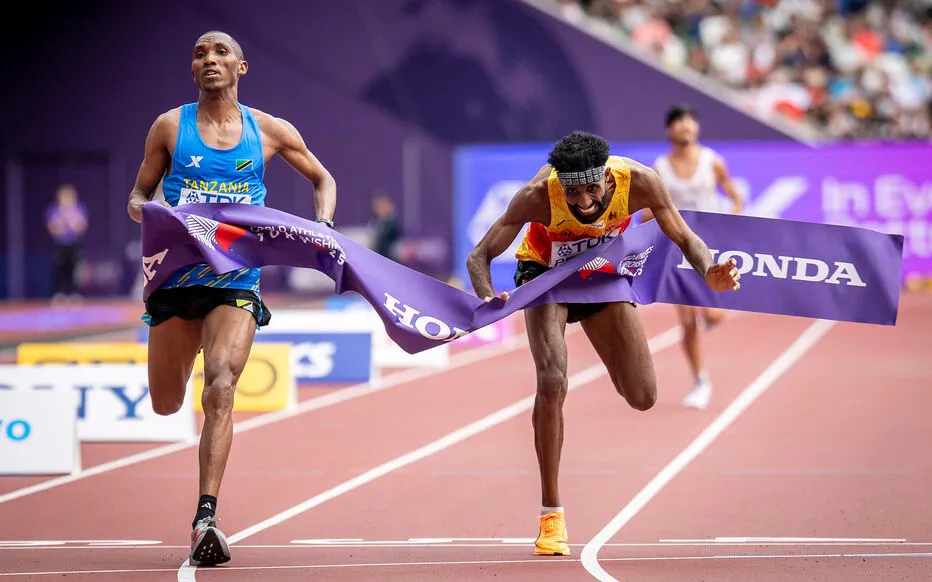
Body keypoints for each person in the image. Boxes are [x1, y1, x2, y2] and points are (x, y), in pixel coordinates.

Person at [466, 131, 740, 557]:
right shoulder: (539, 195)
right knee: (553, 380)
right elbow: (478, 255)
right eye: (572, 192)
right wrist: (487, 297)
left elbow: (686, 237)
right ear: (561, 183)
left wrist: (709, 273)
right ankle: (551, 514)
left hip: (601, 274)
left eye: (592, 189)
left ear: (607, 178)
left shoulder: (640, 182)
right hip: (545, 276)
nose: (584, 202)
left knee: (644, 395)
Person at [126, 31, 336, 567]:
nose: (209, 60)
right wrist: (148, 214)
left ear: (241, 67)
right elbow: (138, 194)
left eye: (220, 53)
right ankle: (189, 347)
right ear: (192, 70)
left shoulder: (267, 131)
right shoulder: (170, 127)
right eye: (199, 54)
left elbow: (322, 177)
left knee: (221, 386)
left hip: (235, 280)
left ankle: (206, 518)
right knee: (167, 402)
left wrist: (324, 225)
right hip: (176, 279)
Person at [648, 105, 743, 410]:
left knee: (713, 315)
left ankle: (712, 314)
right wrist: (649, 221)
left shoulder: (712, 162)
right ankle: (700, 380)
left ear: (697, 128)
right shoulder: (660, 168)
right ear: (669, 130)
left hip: (712, 249)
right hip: (677, 251)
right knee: (687, 321)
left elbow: (735, 197)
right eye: (679, 123)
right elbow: (649, 210)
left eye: (690, 122)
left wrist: (730, 224)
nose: (685, 127)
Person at [45, 183, 88, 304]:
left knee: (73, 269)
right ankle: (59, 293)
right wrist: (62, 222)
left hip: (74, 244)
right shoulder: (54, 210)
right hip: (61, 244)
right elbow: (53, 228)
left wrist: (71, 221)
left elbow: (81, 226)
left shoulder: (78, 208)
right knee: (59, 269)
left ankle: (73, 293)